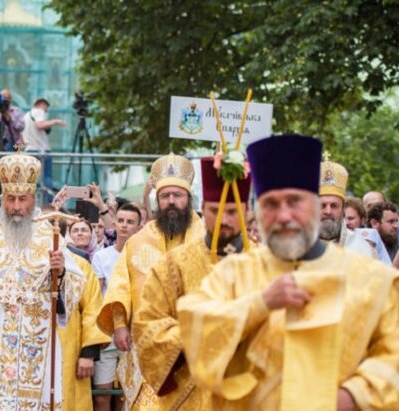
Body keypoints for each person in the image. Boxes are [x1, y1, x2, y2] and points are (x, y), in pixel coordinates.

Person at [177, 134, 399, 410]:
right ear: (257, 213)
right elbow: (194, 324)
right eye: (271, 204)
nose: (283, 215)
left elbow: (394, 351)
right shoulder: (233, 273)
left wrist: (354, 395)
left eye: (294, 201)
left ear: (315, 207)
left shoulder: (372, 279)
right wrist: (261, 303)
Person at [0, 152, 85, 409]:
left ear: (33, 199)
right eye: (10, 199)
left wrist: (62, 273)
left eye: (22, 199)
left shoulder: (51, 234)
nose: (16, 207)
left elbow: (76, 285)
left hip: (37, 337)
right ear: (3, 199)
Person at [132, 156, 252, 409]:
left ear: (247, 213)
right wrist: (201, 333)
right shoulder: (172, 265)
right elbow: (147, 329)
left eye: (233, 211)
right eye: (215, 210)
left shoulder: (267, 264)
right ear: (204, 208)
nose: (224, 220)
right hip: (188, 396)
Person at [96, 153, 206, 410]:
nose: (171, 202)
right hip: (147, 344)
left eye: (177, 196)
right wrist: (120, 324)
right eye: (165, 196)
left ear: (188, 199)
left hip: (195, 344)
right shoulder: (138, 241)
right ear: (157, 200)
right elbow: (121, 284)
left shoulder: (206, 239)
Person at [91, 203, 142, 411]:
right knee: (102, 395)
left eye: (130, 222)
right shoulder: (101, 257)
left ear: (139, 227)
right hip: (108, 334)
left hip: (136, 335)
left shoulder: (145, 257)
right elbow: (96, 297)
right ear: (114, 224)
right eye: (120, 221)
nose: (124, 226)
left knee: (127, 395)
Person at [55, 219, 110, 411]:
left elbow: (93, 307)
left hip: (70, 347)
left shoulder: (79, 264)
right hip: (33, 349)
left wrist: (88, 353)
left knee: (71, 398)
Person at [317, 158, 376, 257]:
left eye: (334, 206)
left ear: (343, 209)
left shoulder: (362, 249)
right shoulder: (296, 245)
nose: (328, 211)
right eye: (322, 205)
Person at [22, 97, 66, 193]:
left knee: (29, 179)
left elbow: (22, 137)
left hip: (29, 151)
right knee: (46, 176)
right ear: (42, 104)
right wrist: (55, 122)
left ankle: (28, 201)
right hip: (42, 150)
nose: (46, 111)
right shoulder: (39, 111)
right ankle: (48, 202)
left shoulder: (25, 116)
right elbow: (40, 125)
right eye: (46, 108)